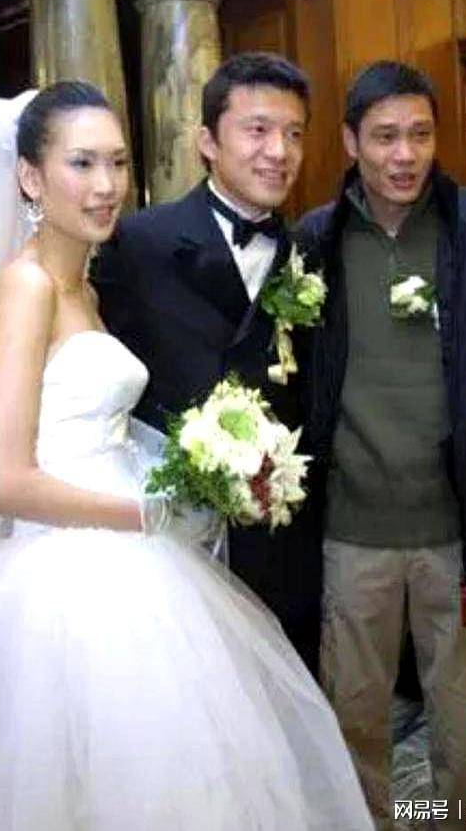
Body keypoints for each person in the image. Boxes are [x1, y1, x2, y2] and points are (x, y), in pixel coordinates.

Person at [0, 81, 371, 831]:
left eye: (117, 162)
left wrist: (203, 468)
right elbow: (2, 479)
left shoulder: (85, 288)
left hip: (134, 550)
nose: (106, 185)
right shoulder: (27, 286)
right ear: (31, 177)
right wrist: (147, 511)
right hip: (66, 580)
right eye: (81, 163)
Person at [297, 60, 466, 829]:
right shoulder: (315, 239)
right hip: (352, 535)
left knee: (465, 723)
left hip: (462, 532)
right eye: (385, 137)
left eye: (420, 134)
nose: (405, 155)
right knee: (353, 721)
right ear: (352, 142)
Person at [94, 52, 322, 674]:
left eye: (294, 133)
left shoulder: (309, 253)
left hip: (283, 542)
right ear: (207, 142)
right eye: (257, 129)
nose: (279, 150)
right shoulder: (139, 243)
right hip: (176, 544)